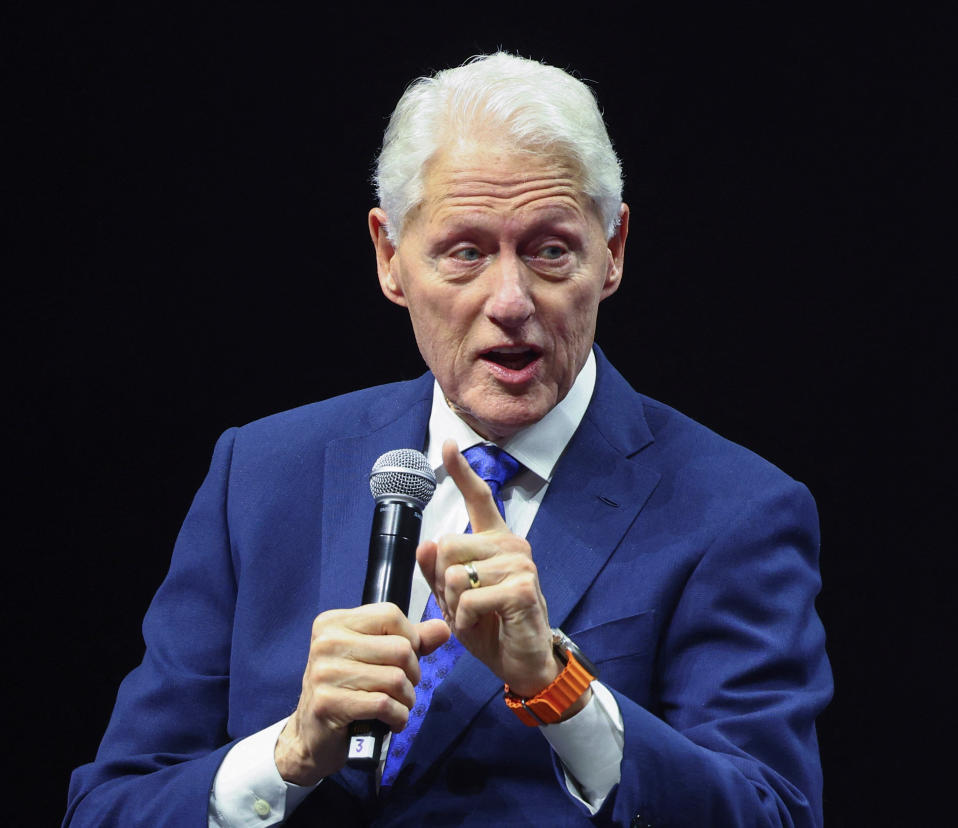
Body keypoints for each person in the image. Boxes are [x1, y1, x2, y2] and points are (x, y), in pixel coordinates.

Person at [65, 52, 833, 827]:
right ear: (390, 257)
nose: (510, 300)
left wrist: (562, 693)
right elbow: (107, 809)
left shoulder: (738, 509)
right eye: (465, 250)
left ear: (614, 251)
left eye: (550, 249)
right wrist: (288, 756)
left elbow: (773, 813)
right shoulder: (262, 475)